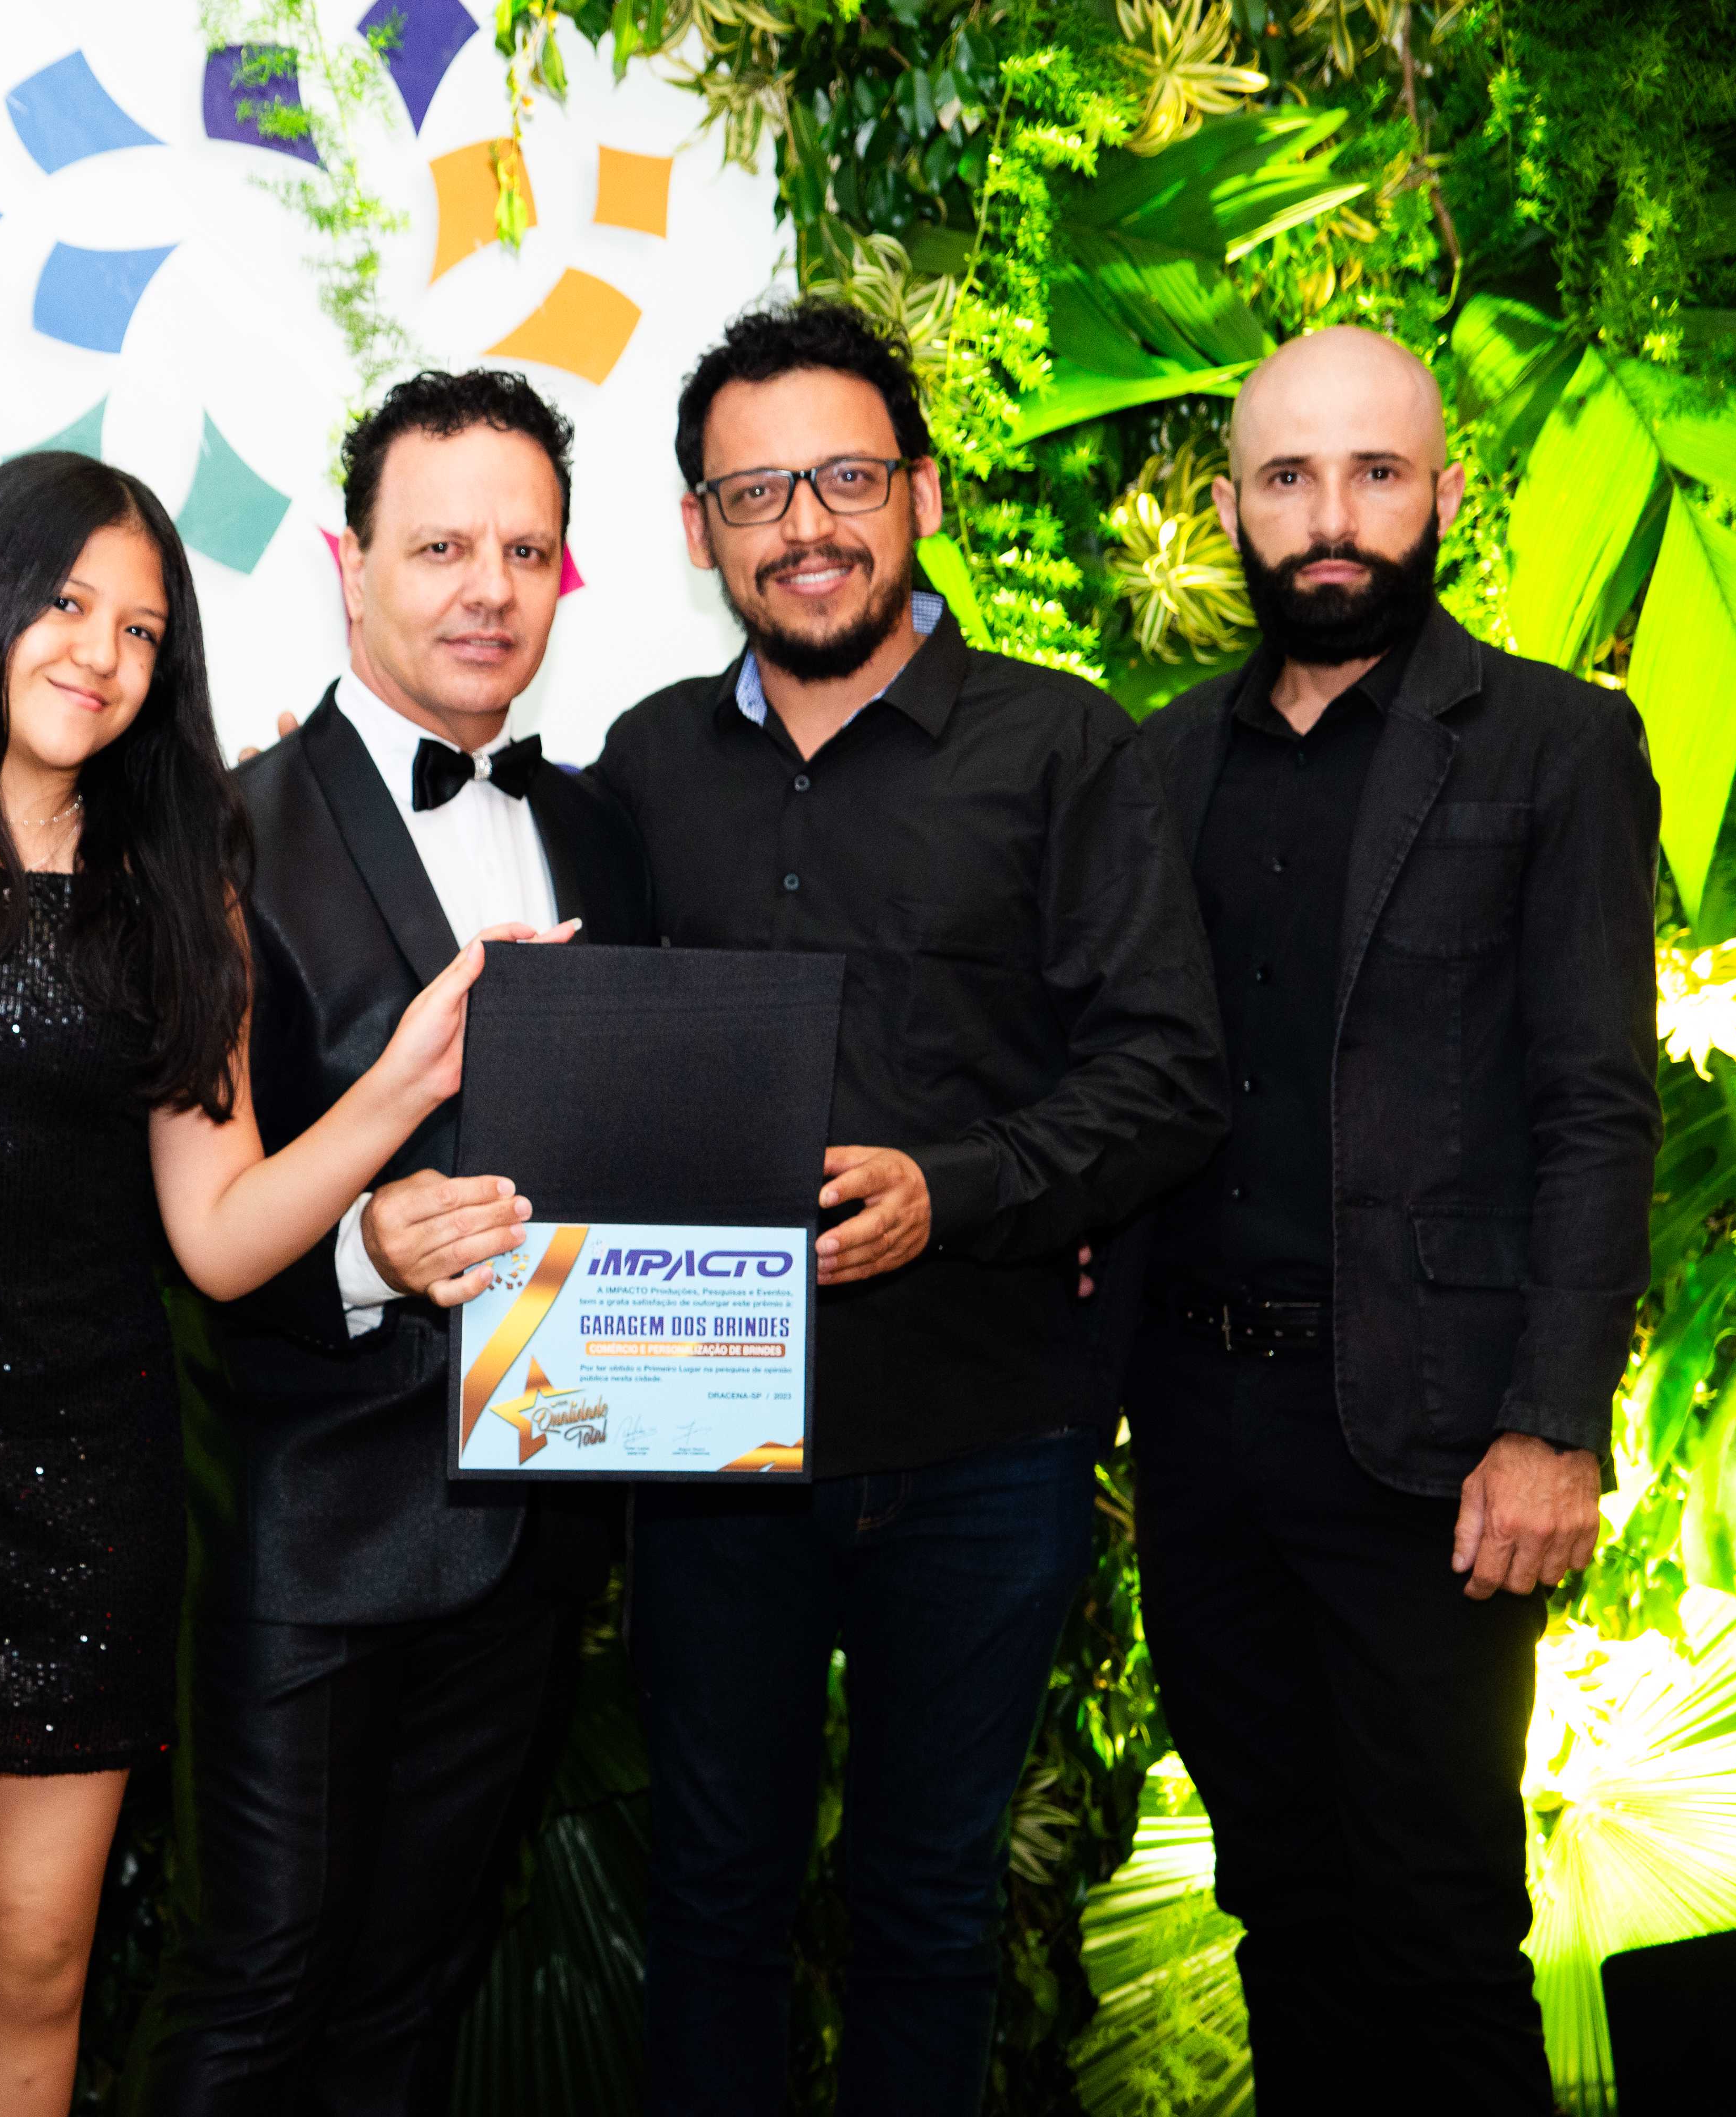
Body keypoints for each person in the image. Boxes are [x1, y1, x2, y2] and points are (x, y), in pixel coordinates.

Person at [0, 449, 536, 2117]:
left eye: (142, 631)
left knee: (34, 1969)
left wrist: (406, 1082)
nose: (102, 655)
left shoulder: (171, 895)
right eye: (65, 605)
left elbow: (223, 1234)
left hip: (86, 1499)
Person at [584, 303, 1227, 2115]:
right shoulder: (643, 766)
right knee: (711, 1900)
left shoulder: (1062, 747)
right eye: (756, 492)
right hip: (704, 1438)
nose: (807, 527)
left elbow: (1169, 1071)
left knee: (932, 1910)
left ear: (924, 495)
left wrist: (956, 1190)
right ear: (700, 529)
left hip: (983, 1439)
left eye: (847, 479)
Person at [1126, 326, 1659, 2112]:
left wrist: (1556, 1424)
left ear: (1445, 494)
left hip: (1436, 1452)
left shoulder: (1555, 746)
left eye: (1374, 473)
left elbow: (1597, 1103)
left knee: (1438, 1929)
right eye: (1288, 478)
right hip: (1201, 1433)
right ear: (1231, 509)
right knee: (1279, 1909)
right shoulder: (1157, 766)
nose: (1331, 516)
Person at [130, 369, 650, 2115]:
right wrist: (365, 1246)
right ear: (348, 567)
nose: (488, 589)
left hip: (539, 1524)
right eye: (440, 548)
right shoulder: (217, 831)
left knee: (413, 2004)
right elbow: (170, 1215)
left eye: (526, 551)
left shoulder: (605, 833)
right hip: (306, 1523)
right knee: (252, 1981)